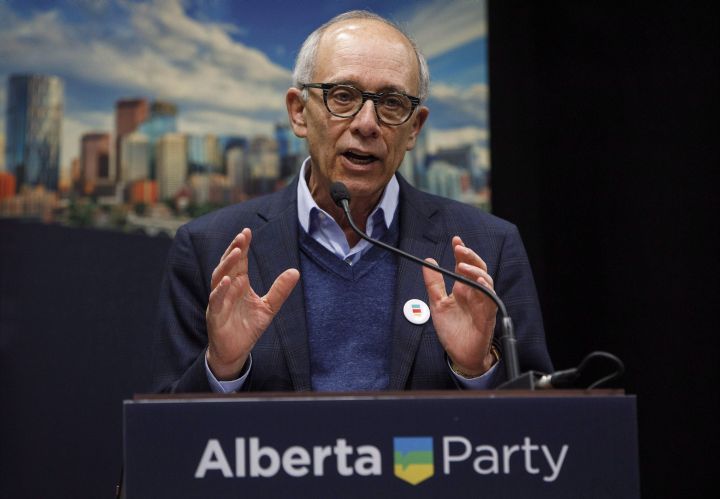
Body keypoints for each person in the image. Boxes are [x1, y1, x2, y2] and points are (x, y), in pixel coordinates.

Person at [151, 10, 552, 393]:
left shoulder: (488, 247)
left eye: (392, 103)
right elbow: (163, 429)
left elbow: (542, 423)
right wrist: (222, 368)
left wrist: (476, 370)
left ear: (414, 128)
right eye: (343, 96)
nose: (366, 124)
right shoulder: (209, 248)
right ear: (298, 112)